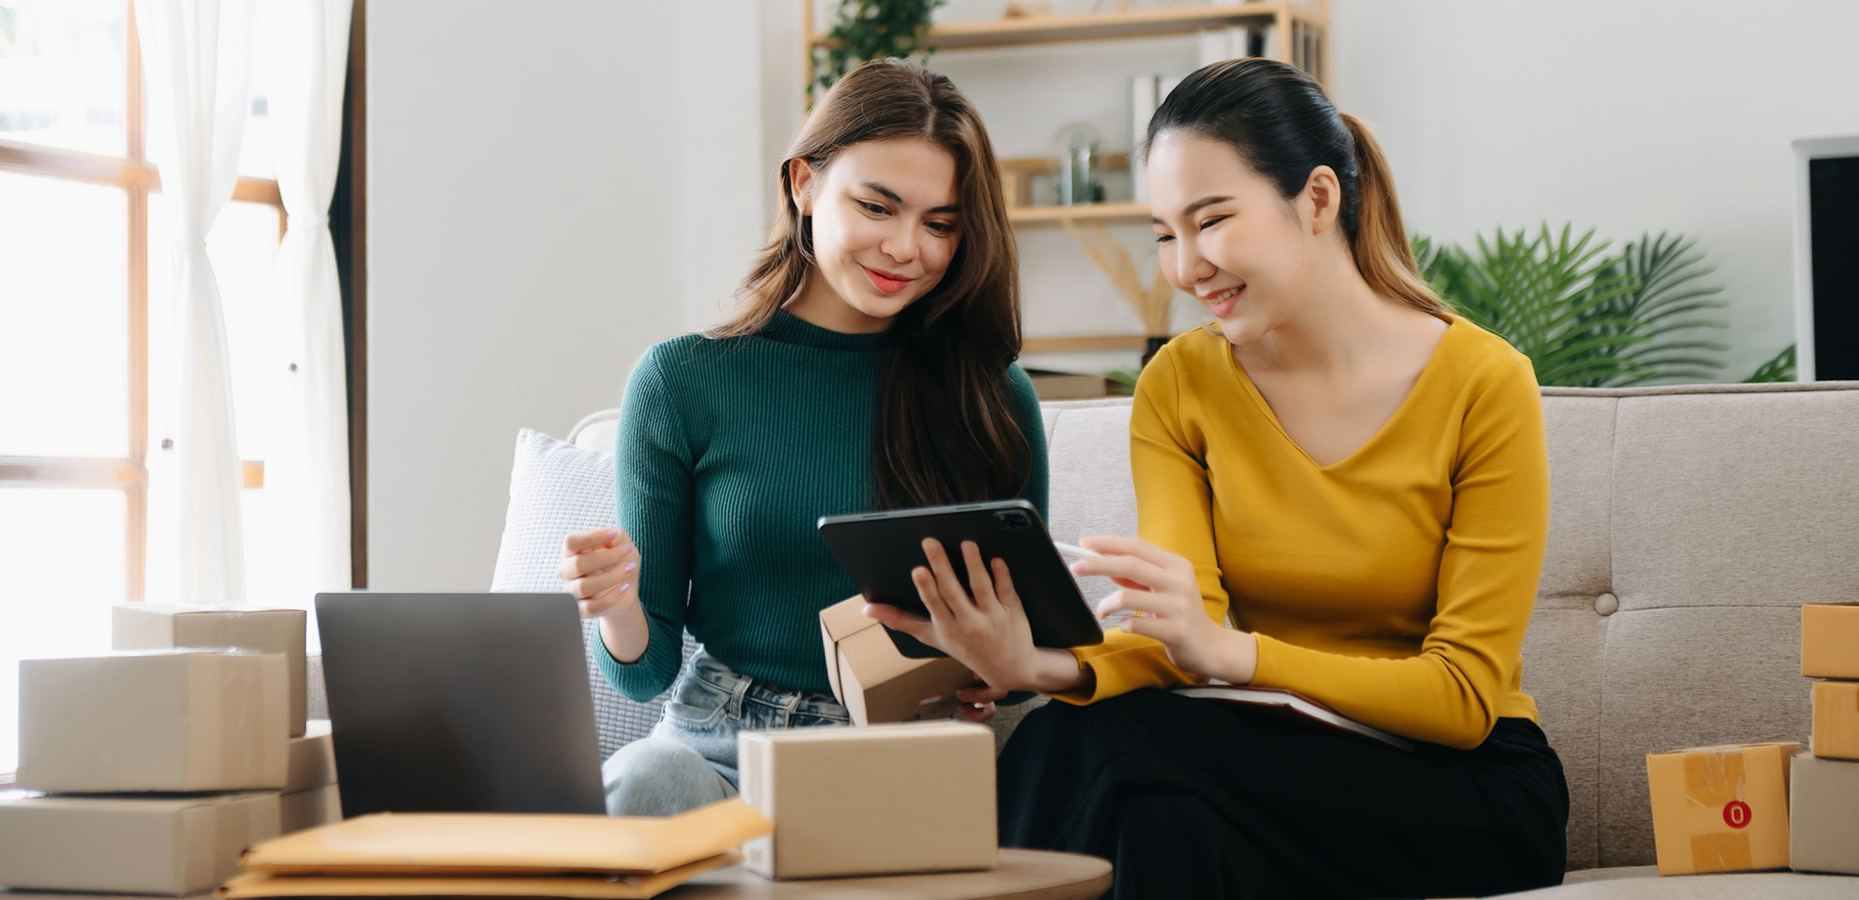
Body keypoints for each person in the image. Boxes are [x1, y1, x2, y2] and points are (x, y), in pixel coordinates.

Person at [866, 58, 1568, 899]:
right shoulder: (1180, 385)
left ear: (1316, 199)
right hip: (1271, 768)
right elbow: (1173, 633)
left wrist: (1233, 654)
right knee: (1152, 814)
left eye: (1211, 221)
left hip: (1465, 785)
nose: (1186, 265)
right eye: (1165, 233)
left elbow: (1461, 697)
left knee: (1101, 752)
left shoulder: (1486, 383)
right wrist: (1031, 666)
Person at [559, 58, 1049, 817]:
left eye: (940, 224)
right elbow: (644, 669)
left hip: (911, 747)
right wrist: (618, 603)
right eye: (877, 207)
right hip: (722, 745)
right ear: (803, 184)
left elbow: (1026, 652)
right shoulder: (682, 381)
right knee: (643, 786)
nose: (904, 248)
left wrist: (998, 664)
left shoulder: (991, 396)